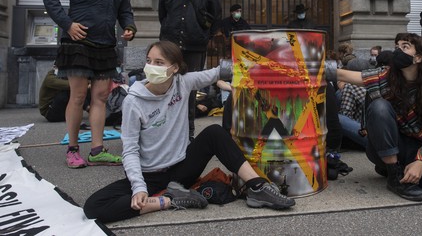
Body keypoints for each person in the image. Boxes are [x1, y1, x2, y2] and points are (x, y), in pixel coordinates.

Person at [83, 41, 295, 223]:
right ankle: (168, 200)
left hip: (183, 168)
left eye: (159, 63)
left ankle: (257, 187)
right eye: (149, 61)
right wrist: (139, 187)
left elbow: (217, 73)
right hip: (151, 176)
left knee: (214, 133)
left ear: (174, 68)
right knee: (93, 207)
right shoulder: (133, 101)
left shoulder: (182, 83)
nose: (151, 67)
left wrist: (262, 60)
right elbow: (129, 150)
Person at [43, 0, 136, 169]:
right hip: (79, 43)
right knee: (78, 96)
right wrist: (67, 24)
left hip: (105, 45)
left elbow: (125, 10)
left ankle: (97, 151)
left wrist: (129, 26)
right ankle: (72, 150)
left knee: (101, 98)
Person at [336, 33, 422, 202]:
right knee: (379, 107)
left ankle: (405, 172)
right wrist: (313, 67)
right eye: (397, 46)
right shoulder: (387, 76)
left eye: (405, 47)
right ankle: (393, 173)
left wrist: (421, 162)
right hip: (390, 145)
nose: (398, 50)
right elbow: (346, 75)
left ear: (419, 57)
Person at [158, 0, 222, 137]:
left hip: (195, 47)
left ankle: (188, 131)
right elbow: (162, 13)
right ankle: (165, 129)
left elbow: (216, 14)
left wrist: (204, 36)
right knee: (165, 85)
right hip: (170, 46)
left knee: (189, 89)